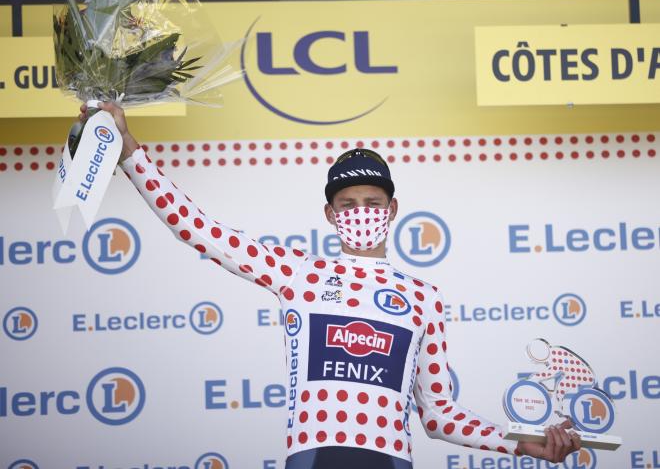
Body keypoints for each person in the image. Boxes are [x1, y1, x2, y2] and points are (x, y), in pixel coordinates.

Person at [80, 102, 582, 469]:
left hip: (391, 461)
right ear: (329, 214)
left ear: (392, 210)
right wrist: (129, 151)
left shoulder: (423, 297)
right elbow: (197, 229)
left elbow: (440, 416)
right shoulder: (302, 274)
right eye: (347, 203)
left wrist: (521, 441)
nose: (361, 211)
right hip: (315, 458)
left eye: (372, 201)